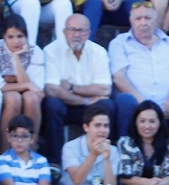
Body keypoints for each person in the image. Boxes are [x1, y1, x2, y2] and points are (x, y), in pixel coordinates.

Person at [109, 0, 169, 147]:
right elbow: (118, 77)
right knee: (124, 100)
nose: (143, 23)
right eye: (138, 18)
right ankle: (127, 156)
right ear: (131, 20)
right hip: (136, 105)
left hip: (167, 107)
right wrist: (144, 105)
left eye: (148, 18)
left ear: (155, 20)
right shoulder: (119, 43)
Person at [41, 13, 115, 167]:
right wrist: (86, 99)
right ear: (64, 32)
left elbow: (105, 88)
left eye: (81, 31)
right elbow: (52, 90)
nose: (76, 35)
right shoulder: (51, 51)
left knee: (108, 105)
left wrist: (72, 87)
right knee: (51, 104)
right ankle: (55, 162)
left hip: (90, 109)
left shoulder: (99, 52)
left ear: (88, 33)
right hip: (66, 107)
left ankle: (107, 159)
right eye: (72, 30)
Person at [0, 14, 45, 154]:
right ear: (4, 37)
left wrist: (16, 60)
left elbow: (37, 89)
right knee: (13, 98)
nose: (16, 42)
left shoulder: (35, 51)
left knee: (31, 98)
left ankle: (31, 151)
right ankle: (5, 150)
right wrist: (25, 85)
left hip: (26, 94)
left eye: (20, 36)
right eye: (10, 37)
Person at [6, 0, 72, 47]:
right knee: (32, 2)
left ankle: (64, 48)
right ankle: (28, 48)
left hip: (44, 10)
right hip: (20, 6)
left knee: (64, 2)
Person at [72, 0, 144, 40]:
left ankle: (145, 45)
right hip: (94, 5)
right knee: (94, 4)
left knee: (136, 3)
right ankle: (84, 48)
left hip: (123, 4)